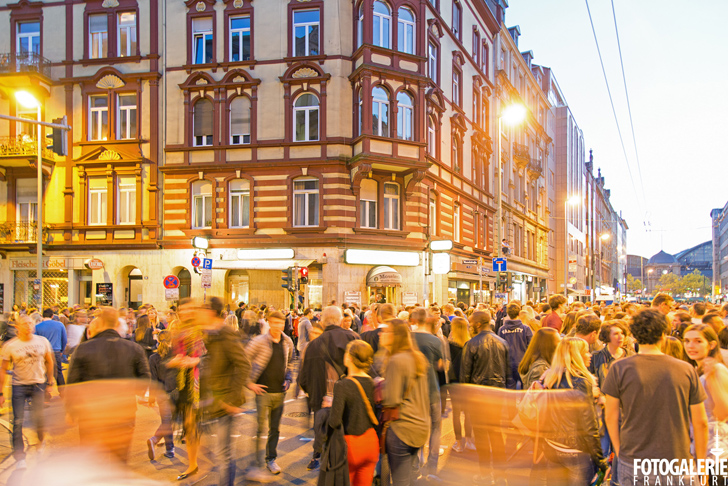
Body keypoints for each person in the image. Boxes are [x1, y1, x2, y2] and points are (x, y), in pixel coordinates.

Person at [603, 308, 708, 485]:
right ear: (663, 335)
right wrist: (702, 465)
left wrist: (620, 451)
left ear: (634, 336)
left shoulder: (619, 368)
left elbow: (611, 415)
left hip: (633, 457)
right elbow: (700, 422)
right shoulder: (685, 369)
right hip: (677, 459)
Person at [66, 307, 151, 462]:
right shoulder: (133, 348)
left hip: (91, 414)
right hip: (123, 413)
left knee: (91, 459)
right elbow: (144, 382)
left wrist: (71, 410)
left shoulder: (83, 348)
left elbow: (72, 382)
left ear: (101, 322)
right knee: (119, 458)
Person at [541, 338, 607, 483]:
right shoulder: (581, 382)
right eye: (586, 352)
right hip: (575, 450)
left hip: (552, 447)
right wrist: (600, 461)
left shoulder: (550, 378)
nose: (590, 355)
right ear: (576, 356)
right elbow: (589, 425)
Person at [0, 315, 55, 470]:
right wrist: (1, 393)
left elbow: (49, 361)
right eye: (24, 324)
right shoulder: (10, 345)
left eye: (31, 323)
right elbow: (3, 369)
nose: (28, 326)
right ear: (17, 327)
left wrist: (50, 382)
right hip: (19, 386)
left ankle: (40, 440)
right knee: (17, 421)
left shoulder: (42, 341)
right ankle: (19, 456)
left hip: (38, 384)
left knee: (39, 419)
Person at [460, 311, 510, 482]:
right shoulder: (503, 343)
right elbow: (508, 373)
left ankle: (484, 473)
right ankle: (501, 474)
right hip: (497, 396)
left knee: (481, 436)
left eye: (471, 322)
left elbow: (465, 376)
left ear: (478, 324)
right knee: (496, 436)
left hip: (478, 397)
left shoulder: (471, 344)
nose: (469, 325)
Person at [380, 319, 430, 486]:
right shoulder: (417, 357)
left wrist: (379, 388)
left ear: (396, 336)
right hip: (420, 426)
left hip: (402, 428)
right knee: (410, 477)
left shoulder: (396, 360)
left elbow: (392, 400)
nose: (381, 334)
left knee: (400, 481)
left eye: (386, 331)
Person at [245, 310, 294, 478]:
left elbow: (291, 362)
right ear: (269, 323)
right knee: (260, 428)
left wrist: (288, 378)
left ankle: (270, 459)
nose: (277, 326)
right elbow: (243, 360)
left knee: (275, 428)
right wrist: (249, 383)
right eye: (274, 323)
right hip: (263, 392)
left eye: (280, 323)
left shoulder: (287, 342)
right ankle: (256, 463)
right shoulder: (259, 341)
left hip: (279, 393)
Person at [325, 340, 379, 486]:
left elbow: (335, 421)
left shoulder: (342, 385)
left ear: (349, 358)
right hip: (371, 442)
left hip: (351, 446)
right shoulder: (372, 382)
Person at [682, 324, 728, 452]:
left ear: (712, 345)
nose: (691, 346)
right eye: (687, 341)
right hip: (698, 443)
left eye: (698, 341)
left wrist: (713, 382)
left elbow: (724, 413)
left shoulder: (717, 370)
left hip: (715, 447)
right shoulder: (696, 369)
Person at [410, 309, 443, 480]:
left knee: (415, 426)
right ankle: (432, 466)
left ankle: (415, 465)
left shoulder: (408, 338)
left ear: (414, 319)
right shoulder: (435, 340)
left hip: (414, 390)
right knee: (436, 428)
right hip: (432, 388)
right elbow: (441, 366)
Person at [147, 330, 178, 460]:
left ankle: (168, 449)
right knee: (170, 421)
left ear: (158, 340)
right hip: (175, 392)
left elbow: (153, 380)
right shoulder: (176, 355)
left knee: (166, 420)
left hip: (161, 392)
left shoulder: (153, 358)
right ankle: (155, 440)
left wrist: (151, 397)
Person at [448, 316, 474, 453]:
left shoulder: (449, 345)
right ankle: (469, 440)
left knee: (456, 413)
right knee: (469, 412)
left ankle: (459, 443)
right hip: (468, 382)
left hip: (455, 383)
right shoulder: (470, 344)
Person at [497, 301, 533, 389]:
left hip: (508, 363)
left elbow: (499, 347)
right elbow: (531, 347)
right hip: (523, 363)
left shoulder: (502, 330)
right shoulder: (525, 329)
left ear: (508, 313)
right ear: (519, 312)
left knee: (510, 390)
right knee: (524, 389)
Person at [35, 308, 67, 396]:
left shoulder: (37, 326)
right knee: (58, 373)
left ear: (42, 316)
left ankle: (46, 394)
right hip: (56, 351)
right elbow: (64, 339)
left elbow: (35, 341)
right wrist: (61, 350)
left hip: (43, 353)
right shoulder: (60, 325)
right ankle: (63, 392)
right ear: (52, 316)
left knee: (44, 373)